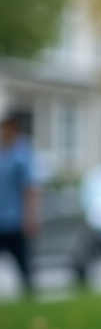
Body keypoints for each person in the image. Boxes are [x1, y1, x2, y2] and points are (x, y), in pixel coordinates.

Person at [0, 112, 39, 296]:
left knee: (23, 264)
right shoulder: (3, 152)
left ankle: (29, 294)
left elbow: (29, 188)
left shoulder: (22, 152)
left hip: (16, 220)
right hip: (2, 219)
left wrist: (30, 217)